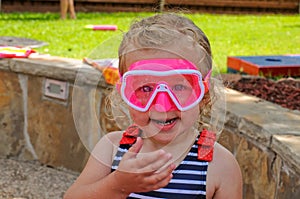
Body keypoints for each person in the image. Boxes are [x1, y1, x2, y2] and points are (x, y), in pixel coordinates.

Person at [64, 13, 242, 199]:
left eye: (179, 87)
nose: (162, 106)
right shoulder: (112, 150)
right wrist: (117, 185)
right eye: (146, 88)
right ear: (125, 94)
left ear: (203, 95)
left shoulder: (220, 165)